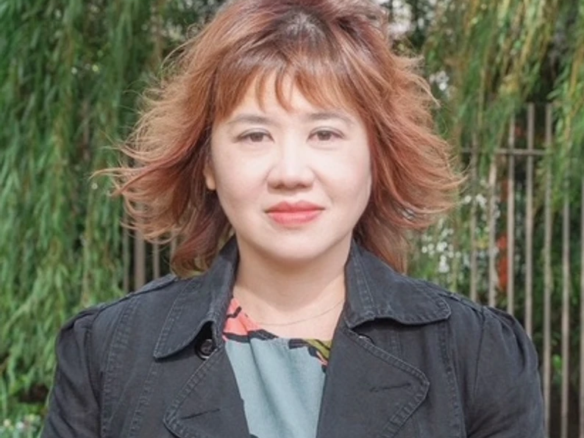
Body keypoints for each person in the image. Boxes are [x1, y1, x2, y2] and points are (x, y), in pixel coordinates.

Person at [41, 0, 545, 436]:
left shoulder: (476, 356)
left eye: (324, 133)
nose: (290, 173)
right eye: (254, 135)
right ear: (208, 164)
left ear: (376, 155)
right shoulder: (106, 352)